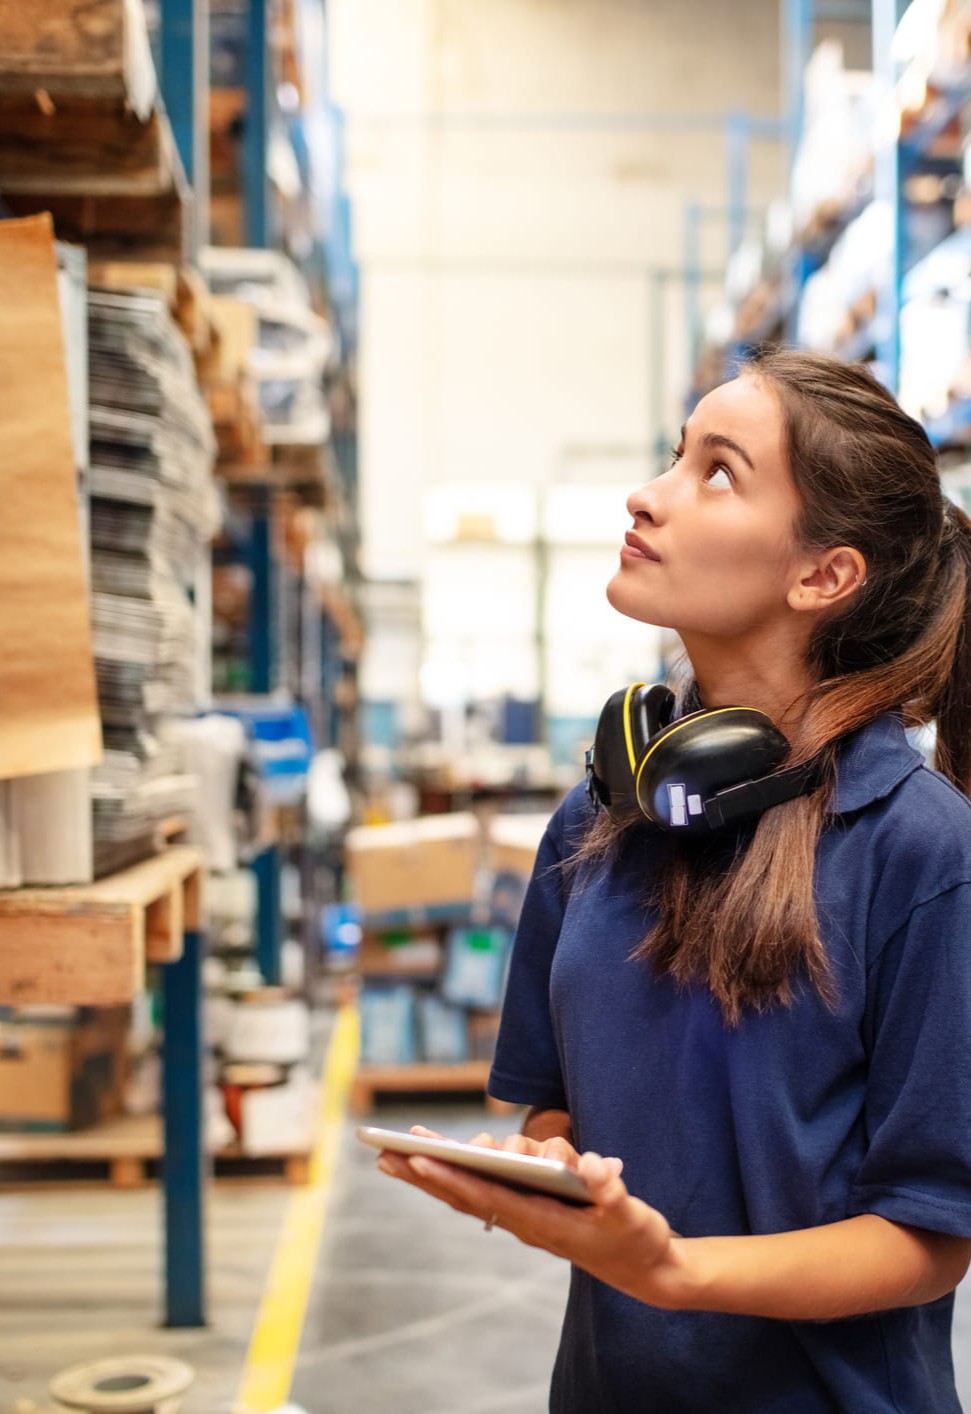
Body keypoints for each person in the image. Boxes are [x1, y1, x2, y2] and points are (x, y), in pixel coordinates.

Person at [373, 349, 971, 1412]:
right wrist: (546, 1181)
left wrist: (671, 1270)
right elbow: (554, 1107)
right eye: (671, 455)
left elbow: (926, 1234)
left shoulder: (919, 852)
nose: (646, 495)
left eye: (717, 471)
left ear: (822, 574)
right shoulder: (601, 818)